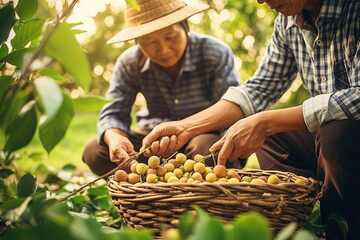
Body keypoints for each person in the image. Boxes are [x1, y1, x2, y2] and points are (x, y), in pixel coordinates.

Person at [142, 0, 360, 239]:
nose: (260, 1)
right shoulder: (288, 22)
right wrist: (186, 127)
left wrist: (266, 121)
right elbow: (258, 89)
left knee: (336, 135)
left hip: (345, 138)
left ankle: (344, 230)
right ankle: (298, 221)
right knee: (270, 135)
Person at [82, 0, 242, 176]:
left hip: (204, 137)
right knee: (95, 151)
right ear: (137, 42)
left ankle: (193, 191)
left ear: (185, 28)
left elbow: (232, 110)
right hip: (152, 144)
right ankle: (147, 190)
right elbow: (113, 112)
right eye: (149, 41)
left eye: (170, 37)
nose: (163, 49)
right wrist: (116, 138)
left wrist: (196, 131)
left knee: (206, 150)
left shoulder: (214, 53)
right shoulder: (129, 63)